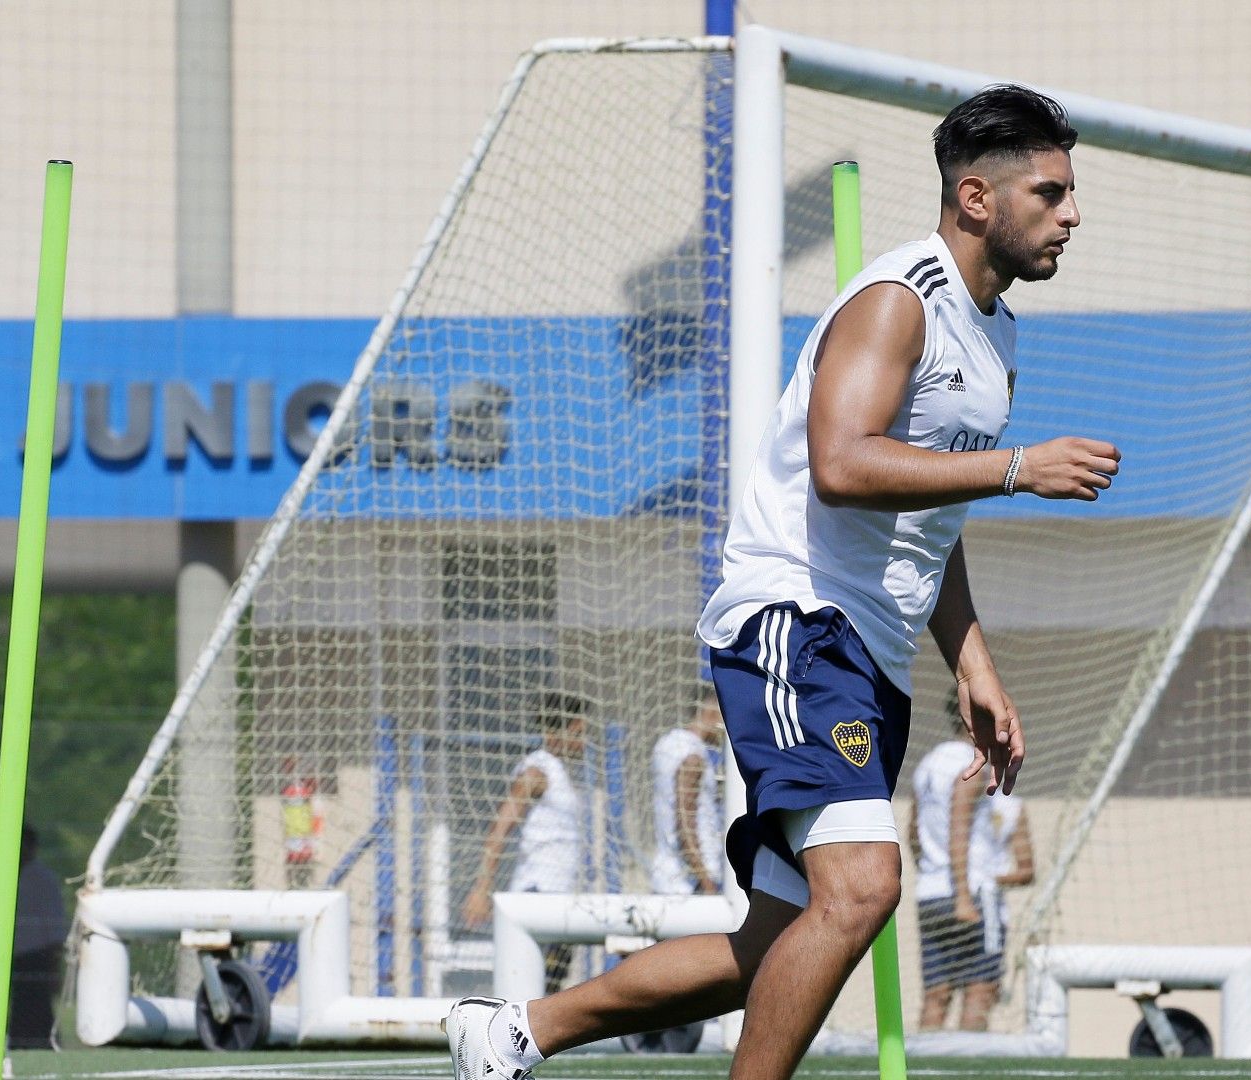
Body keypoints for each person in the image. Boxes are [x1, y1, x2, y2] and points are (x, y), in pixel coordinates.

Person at [448, 83, 1113, 1080]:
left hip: (872, 660)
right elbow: (845, 465)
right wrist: (1019, 465)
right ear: (978, 199)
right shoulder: (900, 303)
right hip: (797, 625)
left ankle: (516, 1031)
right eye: (1052, 192)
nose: (1072, 214)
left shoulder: (998, 335)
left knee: (772, 946)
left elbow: (928, 518)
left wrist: (973, 665)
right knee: (861, 890)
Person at [910, 692, 1035, 1031]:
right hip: (971, 895)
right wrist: (963, 894)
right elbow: (959, 826)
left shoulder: (927, 765)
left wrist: (930, 870)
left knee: (936, 996)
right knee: (980, 994)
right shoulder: (972, 763)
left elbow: (914, 833)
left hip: (930, 894)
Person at [463, 692, 591, 995]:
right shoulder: (537, 771)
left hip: (558, 897)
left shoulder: (561, 774)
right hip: (537, 895)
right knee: (532, 994)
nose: (584, 743)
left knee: (550, 990)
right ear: (556, 734)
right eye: (579, 734)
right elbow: (500, 827)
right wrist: (482, 887)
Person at [650, 693, 726, 896]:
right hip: (689, 885)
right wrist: (706, 882)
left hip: (672, 879)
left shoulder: (668, 744)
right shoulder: (692, 755)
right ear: (711, 712)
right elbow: (684, 821)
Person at [10, 824, 65, 1049]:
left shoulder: (43, 879)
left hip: (35, 955)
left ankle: (42, 1044)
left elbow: (54, 924)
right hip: (9, 954)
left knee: (35, 1004)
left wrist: (53, 962)